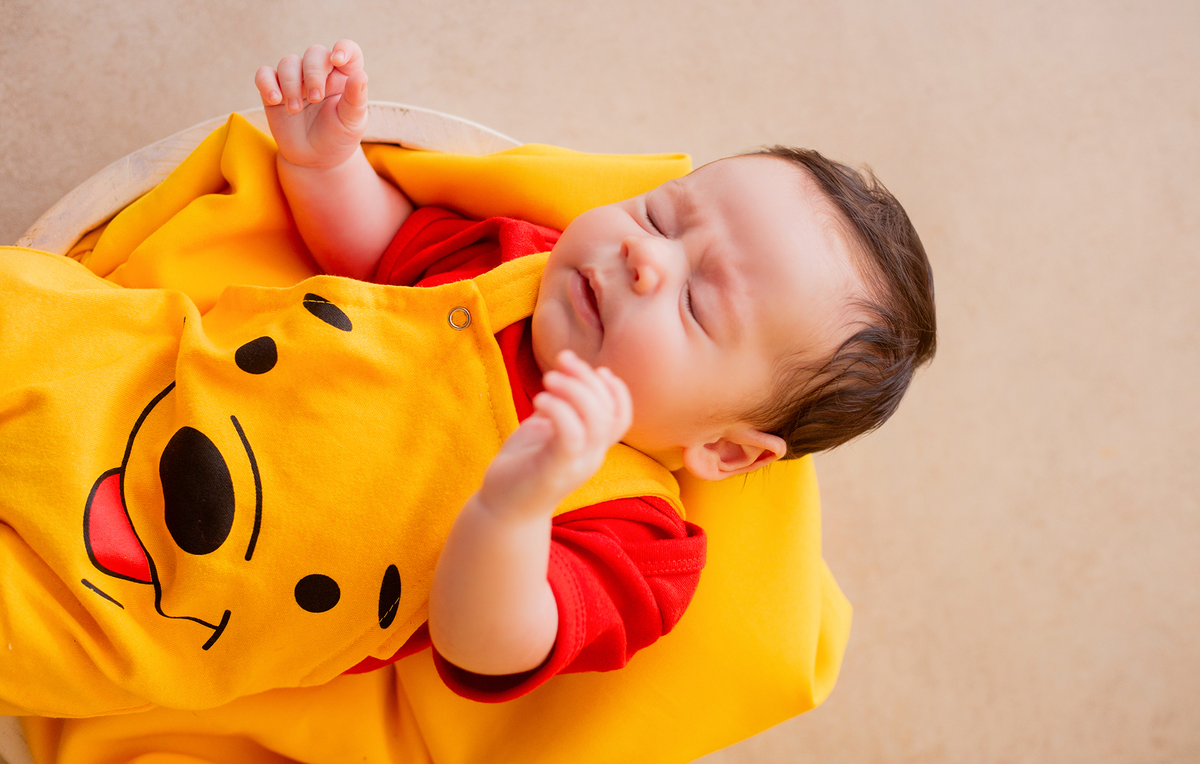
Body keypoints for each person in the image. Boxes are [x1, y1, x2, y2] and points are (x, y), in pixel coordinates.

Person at [252, 40, 937, 690]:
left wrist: (514, 509)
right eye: (659, 218)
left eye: (696, 303)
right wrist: (324, 165)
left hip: (224, 597)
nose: (646, 259)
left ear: (725, 448)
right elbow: (382, 251)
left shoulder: (635, 535)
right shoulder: (514, 264)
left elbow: (485, 648)